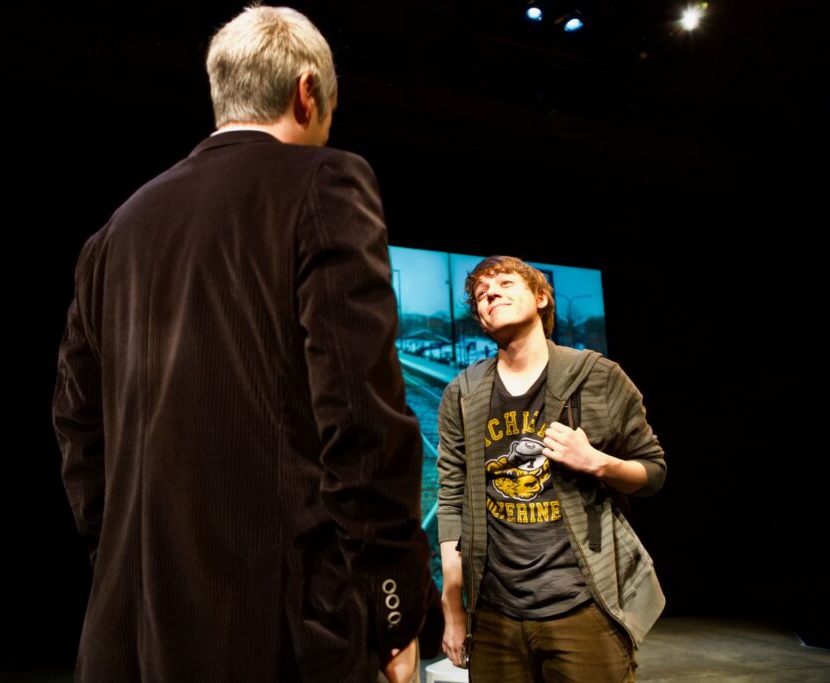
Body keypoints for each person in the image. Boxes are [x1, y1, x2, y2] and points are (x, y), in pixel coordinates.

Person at [52, 6, 439, 682]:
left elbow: (77, 427)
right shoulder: (325, 181)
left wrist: (123, 561)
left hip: (126, 630)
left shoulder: (115, 230)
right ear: (307, 92)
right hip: (279, 631)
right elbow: (359, 413)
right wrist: (394, 602)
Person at [435, 256, 666, 682]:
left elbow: (652, 472)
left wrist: (597, 462)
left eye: (505, 283)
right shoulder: (462, 394)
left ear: (542, 297)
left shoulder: (598, 377)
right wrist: (454, 610)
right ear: (481, 318)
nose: (491, 294)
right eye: (482, 294)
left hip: (583, 606)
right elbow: (450, 501)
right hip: (496, 615)